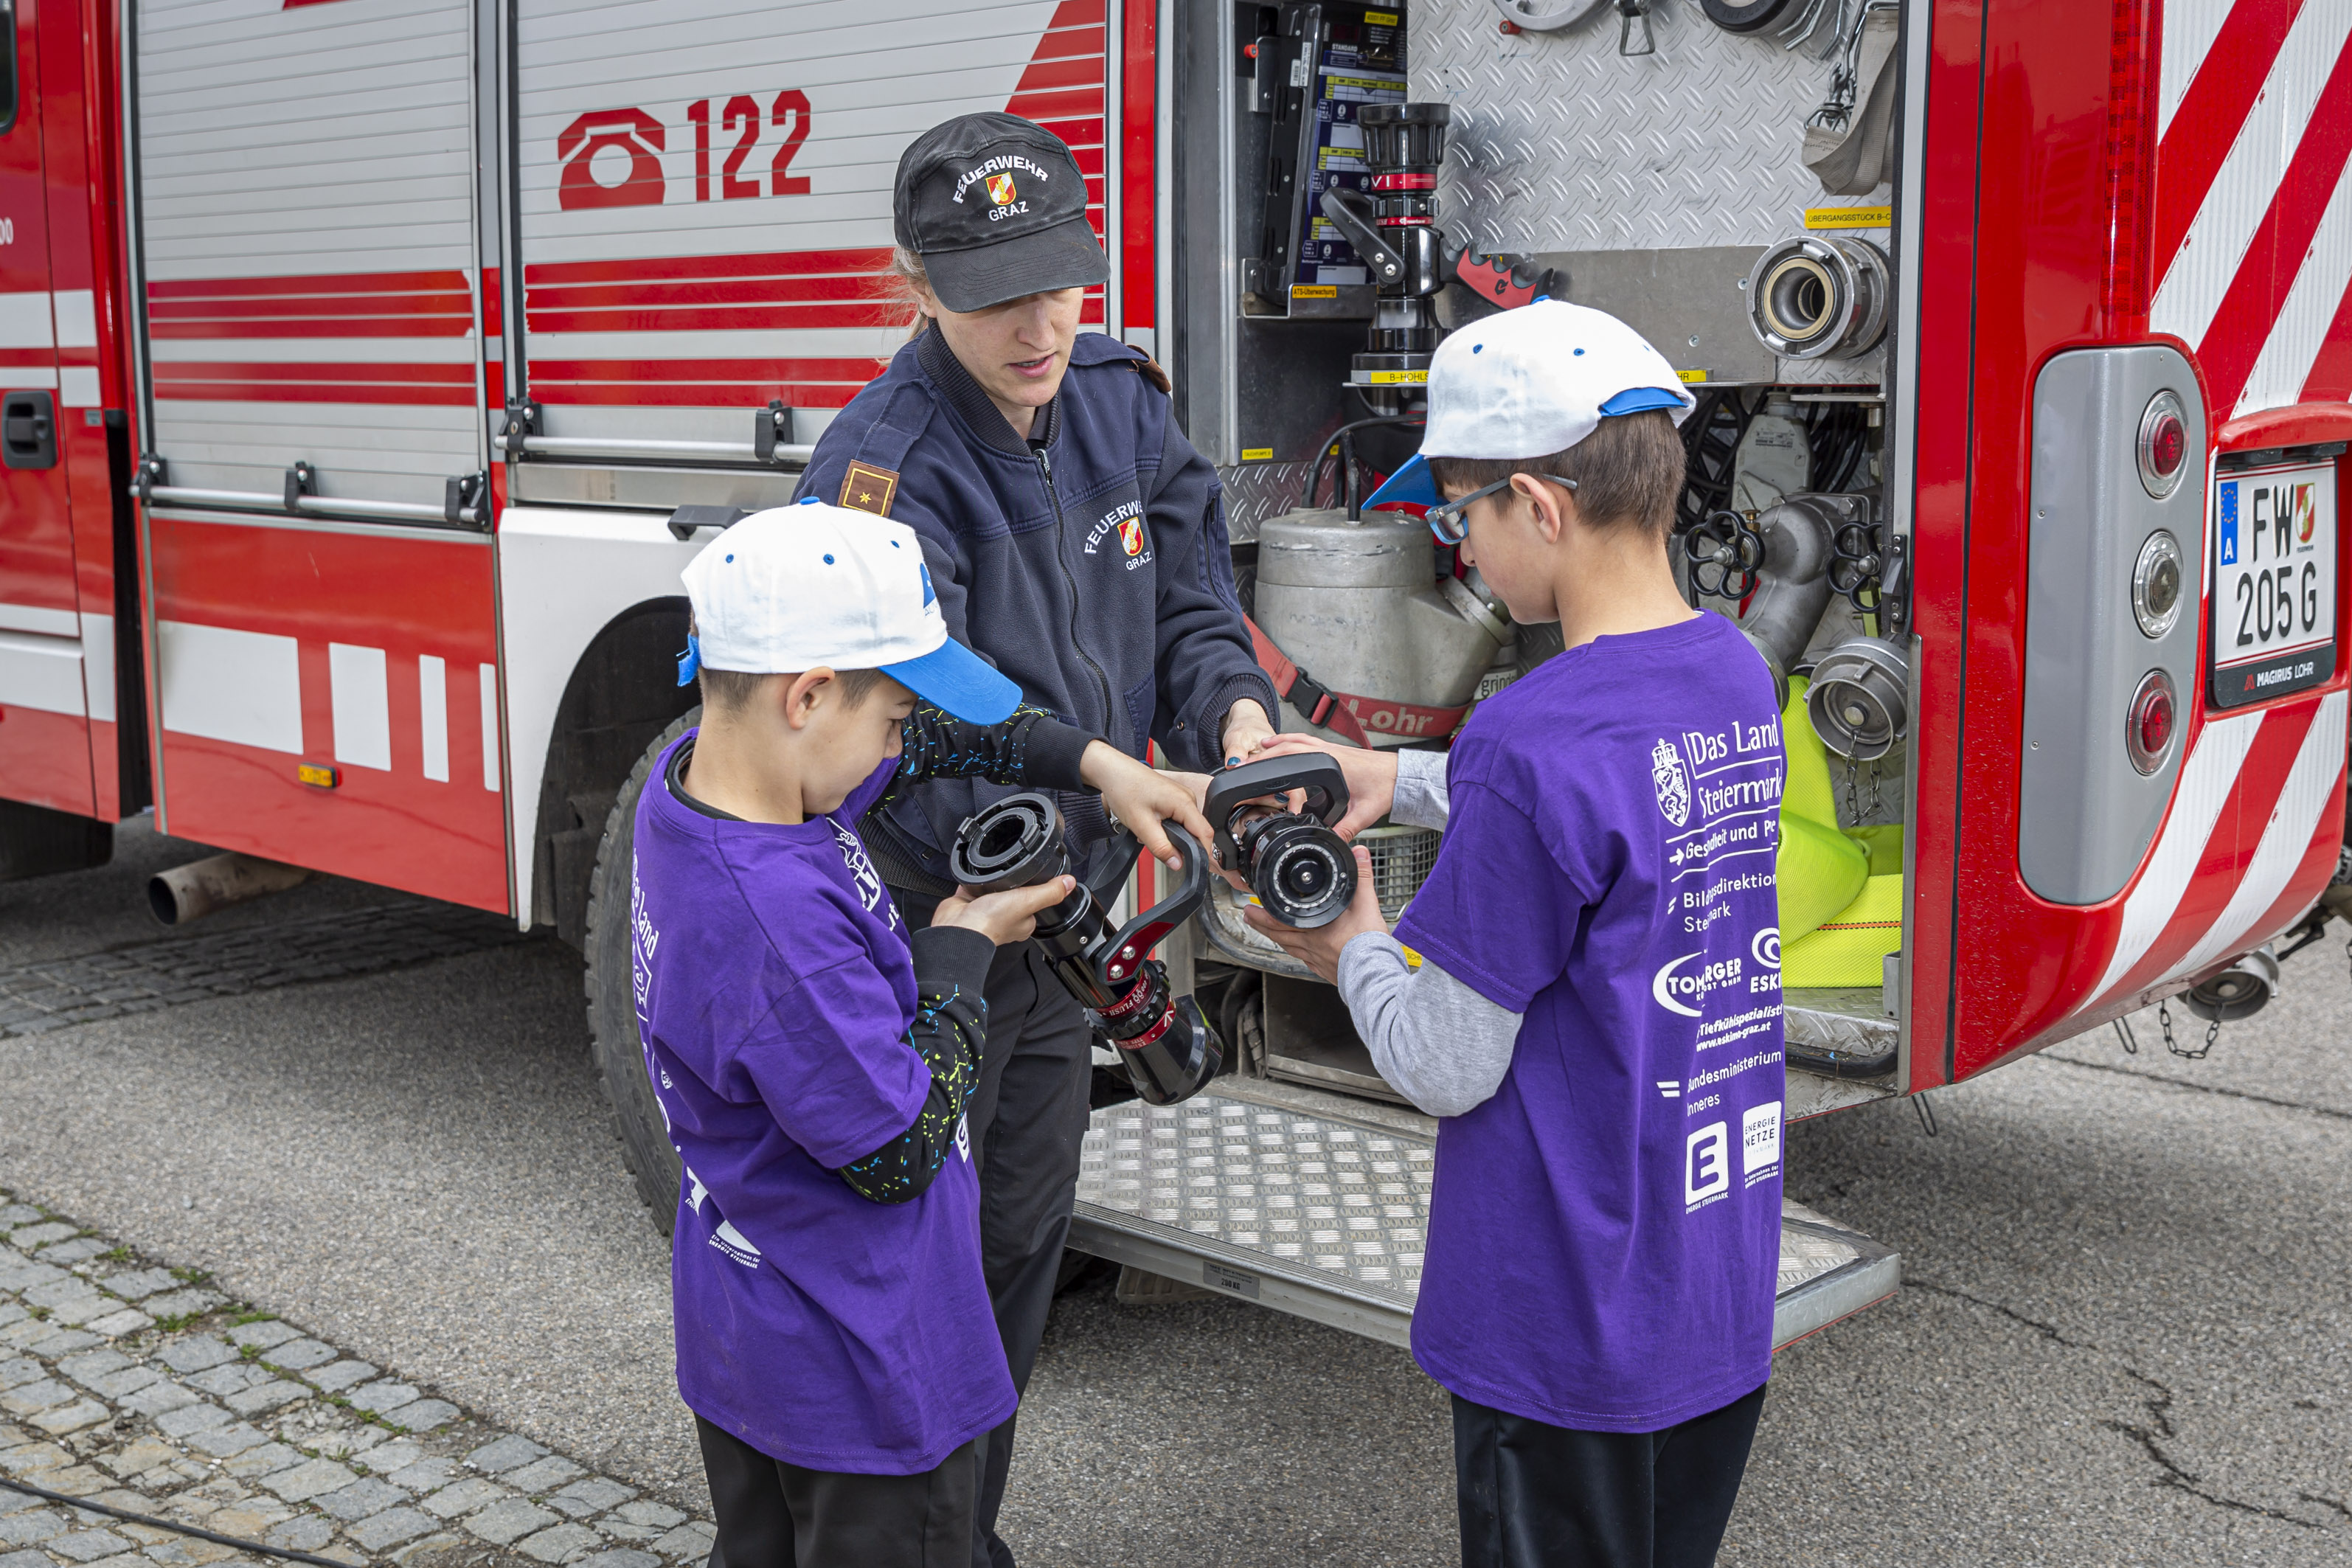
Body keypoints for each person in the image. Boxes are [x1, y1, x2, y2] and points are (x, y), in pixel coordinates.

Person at [796, 111, 1276, 1566]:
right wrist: (1092, 778)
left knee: (1014, 1243)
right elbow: (893, 724)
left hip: (1065, 928)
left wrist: (1239, 722)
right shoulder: (881, 468)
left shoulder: (1120, 401)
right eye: (995, 289)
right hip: (930, 931)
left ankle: (959, 1535)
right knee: (903, 1266)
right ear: (914, 282)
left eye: (1060, 277)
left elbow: (1193, 603)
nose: (1038, 321)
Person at [1243, 302, 1788, 1568]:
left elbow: (1444, 1058)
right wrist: (1397, 775)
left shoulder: (1531, 737)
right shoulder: (1727, 672)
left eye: (1462, 516)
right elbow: (1619, 821)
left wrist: (1344, 944)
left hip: (1561, 1324)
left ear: (1539, 509)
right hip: (1702, 1290)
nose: (1463, 548)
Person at [630, 502, 1210, 1568]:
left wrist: (1090, 761)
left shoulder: (704, 788)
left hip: (754, 1328)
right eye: (893, 715)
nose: (906, 740)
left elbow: (942, 736)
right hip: (864, 1370)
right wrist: (961, 947)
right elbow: (899, 1148)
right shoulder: (776, 923)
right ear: (807, 695)